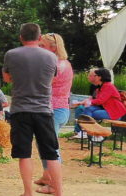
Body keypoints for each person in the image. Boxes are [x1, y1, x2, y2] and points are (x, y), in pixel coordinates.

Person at [3, 23, 63, 196]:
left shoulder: (11, 54)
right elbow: (51, 80)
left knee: (24, 153)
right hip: (44, 110)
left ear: (21, 37)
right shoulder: (51, 57)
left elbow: (7, 78)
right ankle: (59, 192)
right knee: (51, 154)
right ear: (39, 37)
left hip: (20, 109)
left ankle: (28, 192)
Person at [35, 33, 73, 193]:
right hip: (60, 109)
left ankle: (54, 187)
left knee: (51, 148)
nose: (38, 49)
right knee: (43, 144)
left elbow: (40, 84)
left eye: (42, 46)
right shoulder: (64, 63)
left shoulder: (55, 65)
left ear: (53, 47)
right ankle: (46, 176)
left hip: (53, 111)